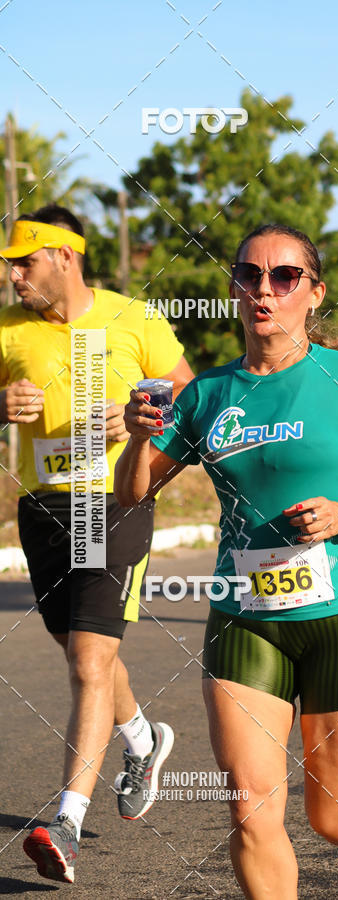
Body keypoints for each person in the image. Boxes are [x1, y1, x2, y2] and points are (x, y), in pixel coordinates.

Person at [115, 223, 338, 899]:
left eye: (285, 276)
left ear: (312, 294)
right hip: (245, 617)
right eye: (249, 274)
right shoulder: (207, 395)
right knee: (248, 806)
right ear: (234, 288)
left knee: (336, 816)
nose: (265, 288)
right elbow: (133, 495)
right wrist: (138, 441)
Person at [0, 204, 194, 884]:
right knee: (89, 656)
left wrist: (144, 418)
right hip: (42, 508)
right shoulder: (7, 330)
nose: (14, 274)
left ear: (65, 257)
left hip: (113, 501)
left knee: (88, 660)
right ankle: (143, 742)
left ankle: (67, 823)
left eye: (24, 262)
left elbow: (191, 400)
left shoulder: (132, 318)